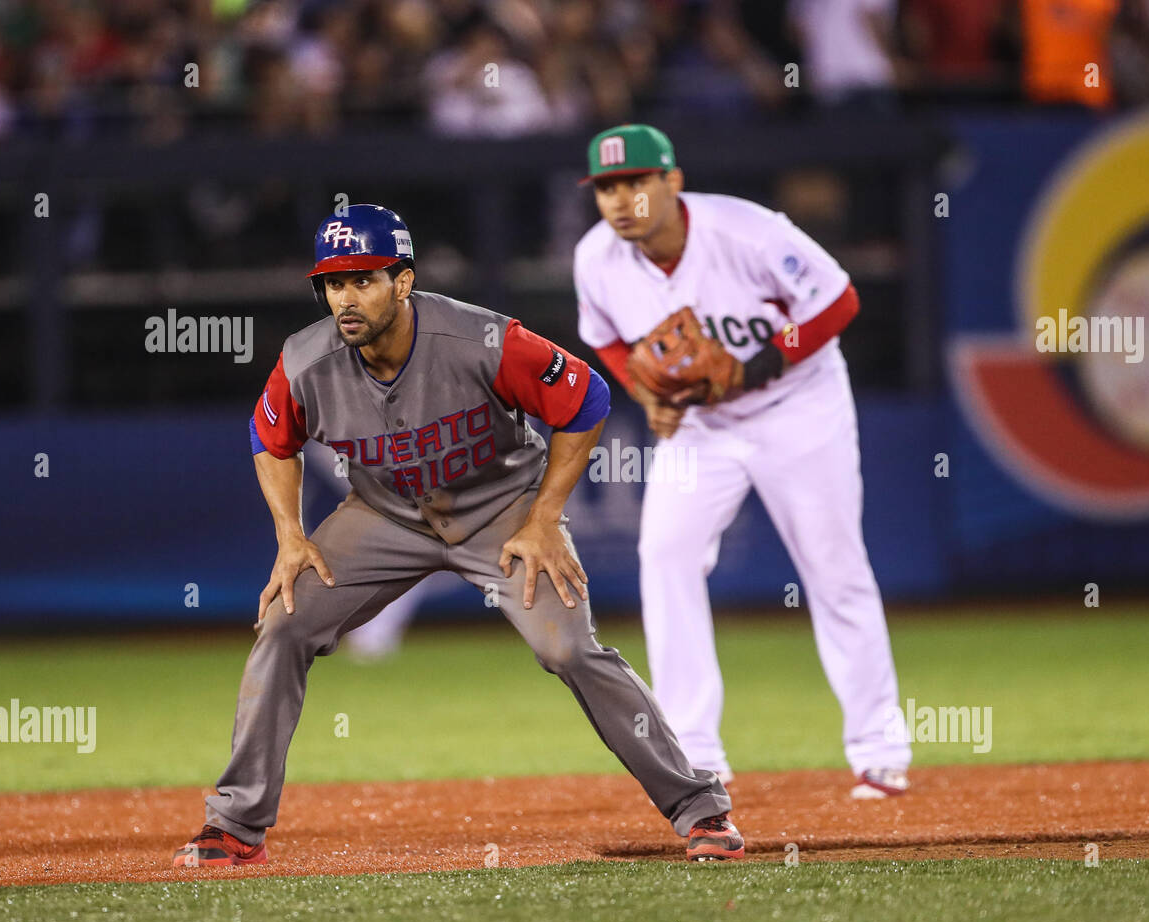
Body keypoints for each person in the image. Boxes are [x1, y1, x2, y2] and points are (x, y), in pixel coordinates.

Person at [173, 203, 743, 866]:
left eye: (364, 279)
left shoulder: (481, 340)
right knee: (285, 621)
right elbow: (270, 439)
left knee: (568, 650)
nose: (345, 297)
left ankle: (700, 808)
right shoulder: (306, 360)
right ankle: (237, 825)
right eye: (333, 283)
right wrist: (290, 535)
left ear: (404, 281)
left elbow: (585, 398)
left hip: (502, 509)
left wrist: (545, 517)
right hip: (385, 513)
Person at [572, 125, 912, 798]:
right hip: (703, 426)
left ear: (672, 182)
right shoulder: (595, 259)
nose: (622, 200)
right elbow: (606, 339)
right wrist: (646, 396)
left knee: (835, 567)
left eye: (636, 182)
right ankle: (694, 750)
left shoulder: (747, 232)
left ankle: (879, 747)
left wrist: (758, 362)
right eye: (608, 187)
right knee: (666, 556)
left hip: (799, 409)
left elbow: (839, 300)